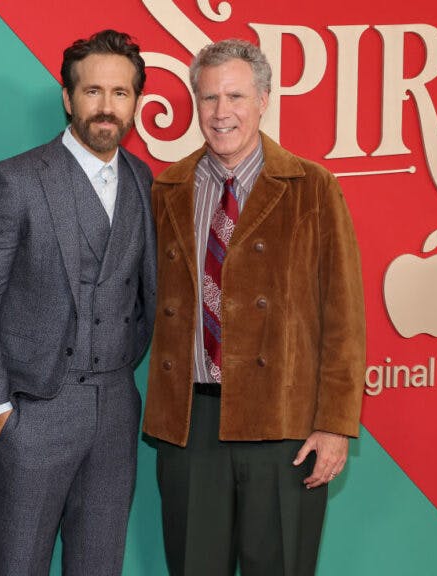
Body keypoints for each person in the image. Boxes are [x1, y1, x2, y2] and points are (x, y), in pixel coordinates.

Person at [142, 39, 365, 576]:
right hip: (190, 425)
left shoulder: (312, 187)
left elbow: (344, 316)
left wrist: (335, 424)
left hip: (284, 427)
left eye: (236, 96)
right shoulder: (166, 188)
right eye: (209, 98)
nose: (222, 113)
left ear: (265, 99)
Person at [0, 29, 155, 576]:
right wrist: (1, 410)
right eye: (92, 92)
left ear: (136, 101)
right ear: (68, 99)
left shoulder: (143, 180)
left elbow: (144, 294)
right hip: (35, 412)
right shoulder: (14, 181)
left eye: (120, 93)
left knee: (100, 566)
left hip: (116, 407)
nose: (106, 107)